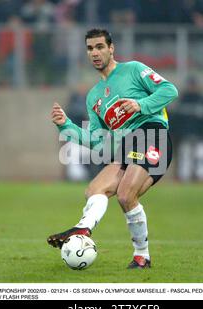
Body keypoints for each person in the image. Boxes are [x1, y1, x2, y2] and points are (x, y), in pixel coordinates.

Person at [48, 28, 178, 269]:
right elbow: (97, 140)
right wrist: (65, 125)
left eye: (99, 47)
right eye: (89, 48)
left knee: (126, 194)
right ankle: (83, 228)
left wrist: (140, 105)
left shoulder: (134, 70)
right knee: (94, 190)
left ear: (111, 48)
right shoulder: (93, 96)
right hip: (127, 146)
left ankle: (142, 255)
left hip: (152, 133)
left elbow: (170, 90)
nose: (94, 53)